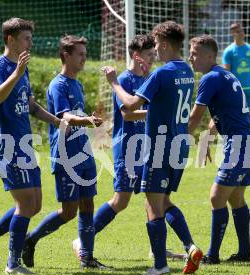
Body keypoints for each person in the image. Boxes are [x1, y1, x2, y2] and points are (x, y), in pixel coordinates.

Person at [102, 21, 203, 275]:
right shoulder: (188, 73)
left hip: (158, 147)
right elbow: (164, 107)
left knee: (152, 203)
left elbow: (131, 105)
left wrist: (114, 83)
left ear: (166, 44)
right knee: (163, 200)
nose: (155, 49)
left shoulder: (161, 74)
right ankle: (187, 247)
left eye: (156, 44)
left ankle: (159, 265)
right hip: (178, 147)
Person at [71, 34, 184, 260]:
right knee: (120, 201)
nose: (153, 58)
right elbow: (127, 114)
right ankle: (81, 240)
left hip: (146, 148)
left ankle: (157, 249)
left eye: (154, 54)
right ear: (136, 55)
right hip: (128, 149)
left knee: (155, 198)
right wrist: (161, 112)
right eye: (149, 54)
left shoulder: (149, 78)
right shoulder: (124, 79)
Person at [0, 17, 67, 275]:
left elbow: (32, 106)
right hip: (8, 145)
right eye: (26, 38)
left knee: (34, 204)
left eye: (31, 38)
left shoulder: (23, 69)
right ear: (10, 39)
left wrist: (57, 121)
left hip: (25, 144)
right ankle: (13, 264)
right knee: (25, 204)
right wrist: (16, 73)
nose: (30, 43)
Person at [21, 35, 108, 270]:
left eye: (85, 54)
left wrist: (90, 121)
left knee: (88, 204)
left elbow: (76, 115)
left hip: (84, 153)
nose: (84, 59)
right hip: (66, 156)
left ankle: (87, 258)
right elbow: (65, 117)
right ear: (66, 56)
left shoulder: (77, 84)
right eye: (79, 54)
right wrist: (86, 120)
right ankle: (30, 239)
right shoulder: (58, 85)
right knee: (69, 211)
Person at [188, 35, 250, 263]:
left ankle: (212, 256)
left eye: (195, 53)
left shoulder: (210, 78)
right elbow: (219, 114)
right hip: (246, 141)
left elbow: (195, 116)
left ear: (210, 56)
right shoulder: (224, 75)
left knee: (216, 197)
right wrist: (207, 138)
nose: (191, 57)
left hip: (240, 143)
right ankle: (245, 253)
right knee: (236, 198)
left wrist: (178, 138)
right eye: (190, 52)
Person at [222, 23, 250, 145]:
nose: (241, 33)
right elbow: (226, 73)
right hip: (236, 90)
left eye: (241, 30)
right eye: (237, 31)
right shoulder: (229, 51)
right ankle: (234, 141)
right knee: (236, 117)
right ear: (232, 33)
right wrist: (227, 91)